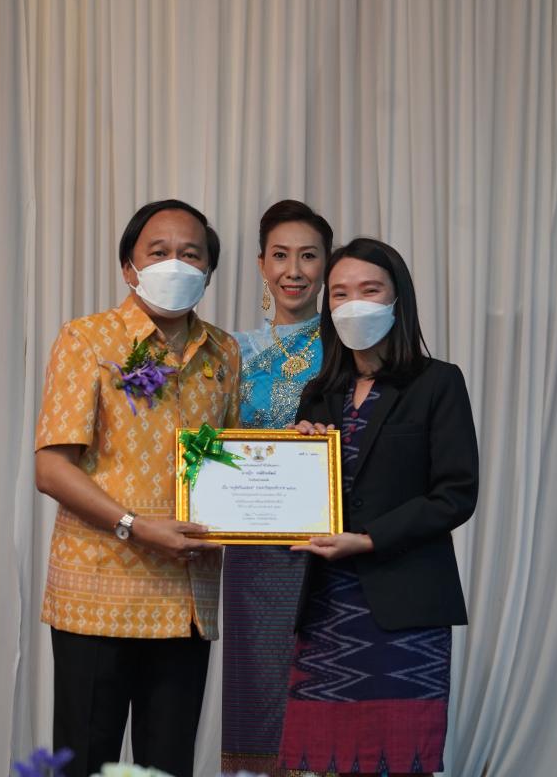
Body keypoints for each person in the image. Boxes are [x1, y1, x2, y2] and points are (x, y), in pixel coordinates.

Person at [33, 199, 240, 777]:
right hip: (98, 592)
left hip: (185, 598)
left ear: (208, 271)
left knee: (168, 764)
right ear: (129, 266)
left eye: (190, 253)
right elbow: (52, 468)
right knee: (83, 762)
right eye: (159, 251)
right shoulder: (87, 339)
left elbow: (231, 462)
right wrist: (135, 525)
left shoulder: (224, 352)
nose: (175, 263)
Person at [281, 238, 479, 776]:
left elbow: (455, 494)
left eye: (369, 290)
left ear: (397, 300)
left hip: (405, 608)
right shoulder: (317, 394)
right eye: (340, 294)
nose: (354, 305)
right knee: (322, 763)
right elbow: (299, 506)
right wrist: (296, 459)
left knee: (399, 761)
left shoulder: (438, 382)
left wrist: (369, 540)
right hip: (325, 607)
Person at [221, 200, 334, 776]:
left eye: (308, 257)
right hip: (251, 551)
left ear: (326, 265)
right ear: (261, 264)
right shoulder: (229, 351)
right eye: (281, 255)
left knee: (326, 686)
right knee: (258, 686)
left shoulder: (348, 350)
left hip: (328, 549)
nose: (294, 270)